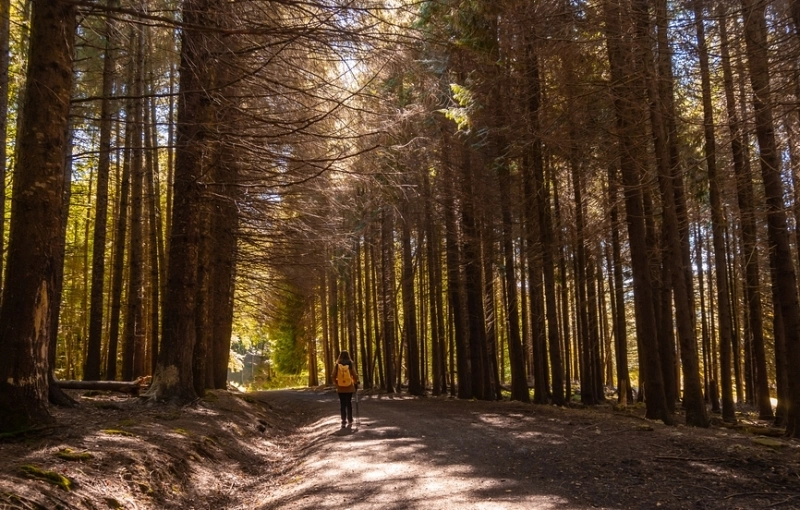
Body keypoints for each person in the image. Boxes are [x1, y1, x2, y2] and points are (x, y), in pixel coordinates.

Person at [333, 351, 359, 427]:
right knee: (349, 403)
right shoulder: (350, 364)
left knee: (342, 404)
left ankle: (343, 420)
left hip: (340, 388)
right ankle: (350, 420)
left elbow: (333, 375)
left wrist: (337, 383)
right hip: (349, 387)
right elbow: (354, 374)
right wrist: (355, 382)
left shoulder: (337, 365)